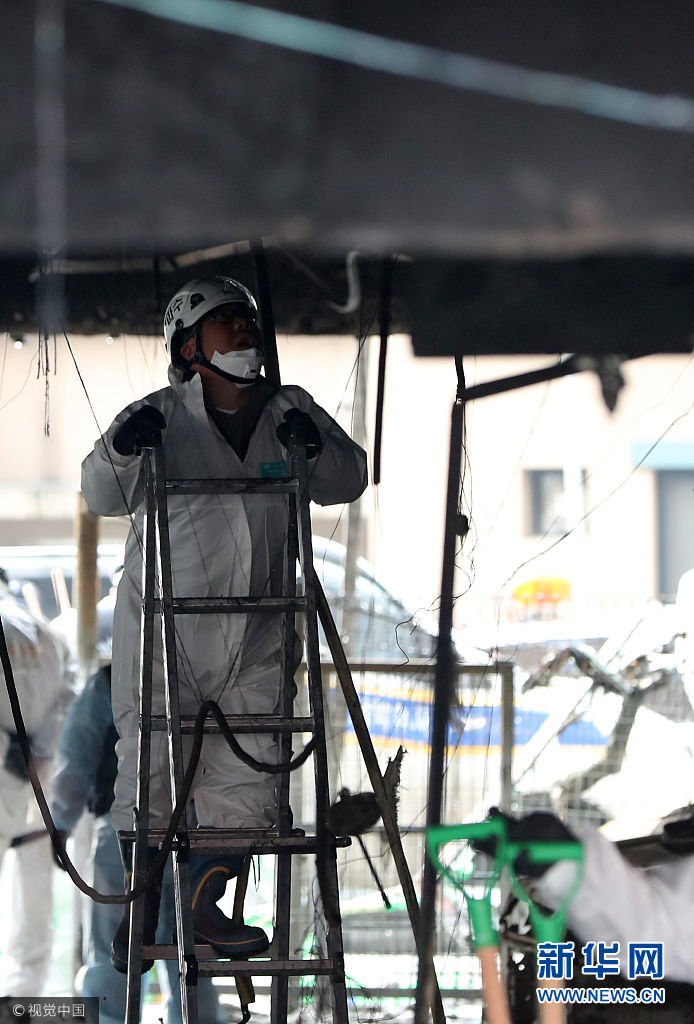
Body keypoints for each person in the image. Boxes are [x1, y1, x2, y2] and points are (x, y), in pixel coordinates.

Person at [80, 275, 368, 963]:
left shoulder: (289, 409)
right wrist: (124, 445)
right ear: (189, 346)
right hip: (166, 634)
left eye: (248, 318)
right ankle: (138, 914)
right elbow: (99, 494)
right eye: (226, 319)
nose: (244, 328)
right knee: (152, 770)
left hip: (260, 631)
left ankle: (205, 909)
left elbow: (348, 480)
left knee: (250, 771)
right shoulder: (156, 416)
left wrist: (313, 446)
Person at [50, 663, 226, 1024]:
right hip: (194, 827)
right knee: (189, 946)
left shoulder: (110, 681)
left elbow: (76, 757)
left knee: (117, 947)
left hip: (125, 830)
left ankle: (111, 1019)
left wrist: (62, 822)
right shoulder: (203, 672)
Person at [0, 568, 76, 995]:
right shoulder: (45, 633)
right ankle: (22, 996)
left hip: (9, 766)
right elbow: (68, 698)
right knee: (32, 887)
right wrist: (40, 750)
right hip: (36, 773)